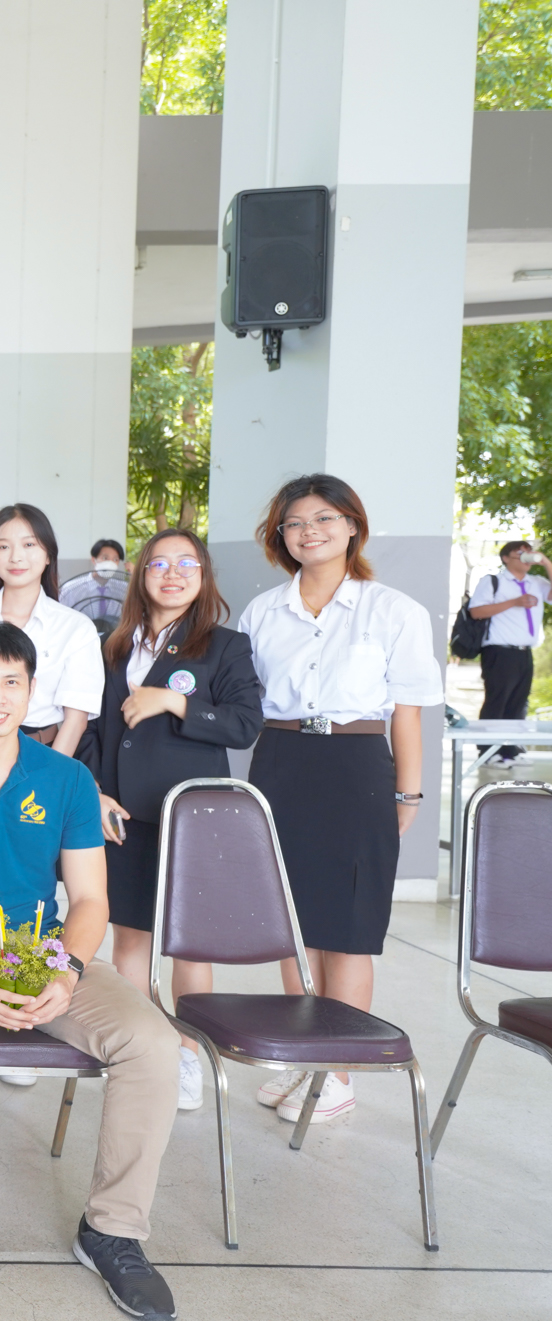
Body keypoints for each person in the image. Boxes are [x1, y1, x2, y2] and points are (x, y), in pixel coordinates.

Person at [0, 621, 180, 1321]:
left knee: (153, 1042)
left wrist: (67, 972)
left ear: (31, 690)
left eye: (11, 682)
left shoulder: (67, 778)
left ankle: (113, 1230)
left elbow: (91, 899)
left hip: (44, 945)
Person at [235, 474, 443, 1125]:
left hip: (357, 766)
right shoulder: (262, 612)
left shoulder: (393, 610)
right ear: (281, 536)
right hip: (280, 762)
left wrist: (408, 792)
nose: (311, 532)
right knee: (292, 926)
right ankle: (306, 1056)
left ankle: (340, 1071)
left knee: (348, 929)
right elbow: (243, 702)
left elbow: (407, 714)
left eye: (325, 519)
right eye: (296, 522)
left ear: (353, 526)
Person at [83, 529, 261, 1115]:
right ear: (141, 575)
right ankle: (143, 1050)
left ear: (204, 576)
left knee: (188, 943)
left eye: (187, 563)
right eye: (159, 563)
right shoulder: (113, 647)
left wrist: (174, 700)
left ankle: (186, 1053)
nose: (173, 573)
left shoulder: (225, 646)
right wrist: (97, 791)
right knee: (131, 937)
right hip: (124, 814)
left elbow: (244, 725)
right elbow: (94, 731)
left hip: (193, 818)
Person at [0, 504, 104, 756]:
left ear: (48, 555)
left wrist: (49, 772)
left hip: (43, 752)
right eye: (3, 547)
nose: (16, 557)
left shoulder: (75, 628)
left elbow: (75, 720)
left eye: (29, 544)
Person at [467, 540, 548, 765]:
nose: (526, 556)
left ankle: (510, 751)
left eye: (529, 552)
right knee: (498, 700)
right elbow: (476, 611)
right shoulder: (494, 581)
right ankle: (488, 752)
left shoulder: (536, 583)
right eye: (520, 552)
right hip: (499, 651)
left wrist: (546, 562)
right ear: (506, 558)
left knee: (518, 703)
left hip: (524, 652)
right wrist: (515, 602)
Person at [59, 538, 131, 635]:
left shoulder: (124, 589)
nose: (110, 563)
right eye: (105, 558)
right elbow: (60, 616)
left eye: (115, 559)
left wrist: (135, 576)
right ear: (94, 560)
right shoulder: (71, 589)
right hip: (80, 637)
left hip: (115, 638)